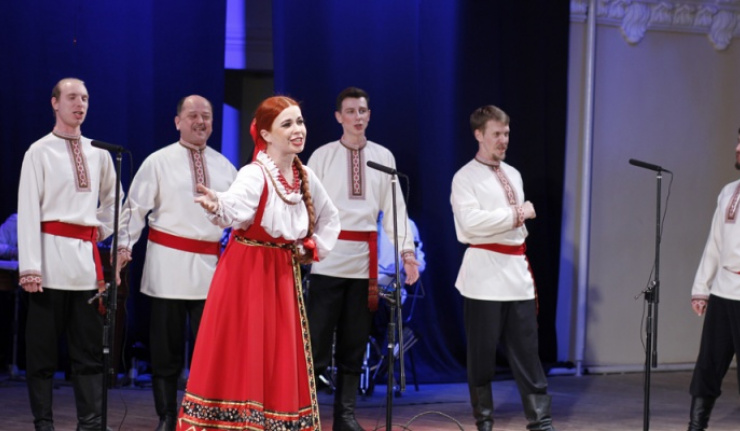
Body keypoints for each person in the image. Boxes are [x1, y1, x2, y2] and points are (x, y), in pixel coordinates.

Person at [176, 96, 340, 431]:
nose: (298, 130)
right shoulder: (255, 173)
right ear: (265, 134)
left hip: (282, 274)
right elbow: (235, 204)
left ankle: (274, 421)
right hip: (247, 272)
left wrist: (311, 248)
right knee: (244, 348)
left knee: (278, 352)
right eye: (287, 124)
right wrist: (217, 204)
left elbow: (330, 217)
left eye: (300, 121)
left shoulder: (305, 176)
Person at [114, 95, 237, 430]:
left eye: (206, 116)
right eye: (193, 115)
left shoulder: (226, 167)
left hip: (210, 272)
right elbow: (134, 210)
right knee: (165, 351)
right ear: (177, 121)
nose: (200, 122)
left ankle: (205, 416)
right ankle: (167, 416)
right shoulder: (158, 161)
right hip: (166, 267)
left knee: (210, 351)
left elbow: (240, 216)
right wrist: (123, 247)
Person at [307, 87, 421, 431]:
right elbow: (306, 206)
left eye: (362, 111)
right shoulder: (322, 156)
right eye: (350, 111)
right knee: (316, 343)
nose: (357, 117)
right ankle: (305, 415)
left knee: (355, 342)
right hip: (328, 260)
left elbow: (395, 211)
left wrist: (407, 254)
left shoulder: (383, 156)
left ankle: (345, 416)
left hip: (363, 265)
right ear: (338, 117)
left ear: (369, 115)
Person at [18, 78, 118, 431]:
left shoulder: (99, 152)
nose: (80, 104)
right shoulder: (39, 151)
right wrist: (30, 268)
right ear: (55, 103)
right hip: (48, 266)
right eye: (73, 97)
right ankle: (43, 424)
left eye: (85, 98)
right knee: (42, 354)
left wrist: (99, 230)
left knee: (88, 352)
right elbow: (28, 210)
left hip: (85, 268)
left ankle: (90, 424)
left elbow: (114, 202)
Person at [450, 105, 555, 431]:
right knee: (481, 357)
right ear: (479, 134)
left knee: (527, 353)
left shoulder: (514, 174)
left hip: (516, 274)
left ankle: (540, 422)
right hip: (483, 277)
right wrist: (517, 214)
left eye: (506, 133)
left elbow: (504, 227)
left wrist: (514, 218)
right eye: (496, 133)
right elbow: (470, 224)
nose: (503, 140)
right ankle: (484, 422)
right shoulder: (465, 177)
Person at [686, 129, 740, 431]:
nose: (737, 147)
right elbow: (715, 244)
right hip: (723, 292)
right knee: (708, 365)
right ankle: (696, 427)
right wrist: (701, 289)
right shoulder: (729, 191)